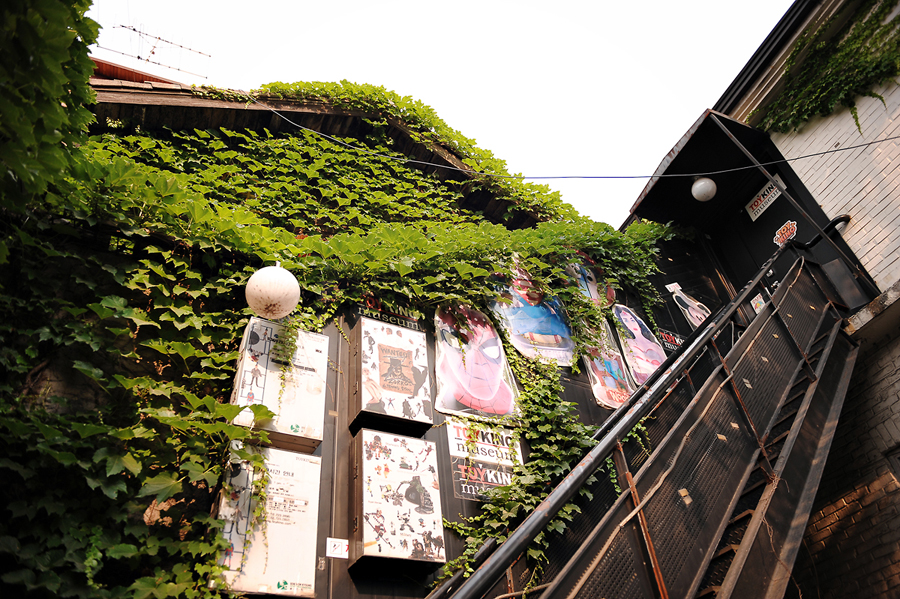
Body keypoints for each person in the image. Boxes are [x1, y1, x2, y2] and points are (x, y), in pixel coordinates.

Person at [613, 305, 666, 385]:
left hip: (665, 381)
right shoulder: (628, 343)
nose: (631, 323)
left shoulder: (655, 345)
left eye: (632, 320)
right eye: (626, 321)